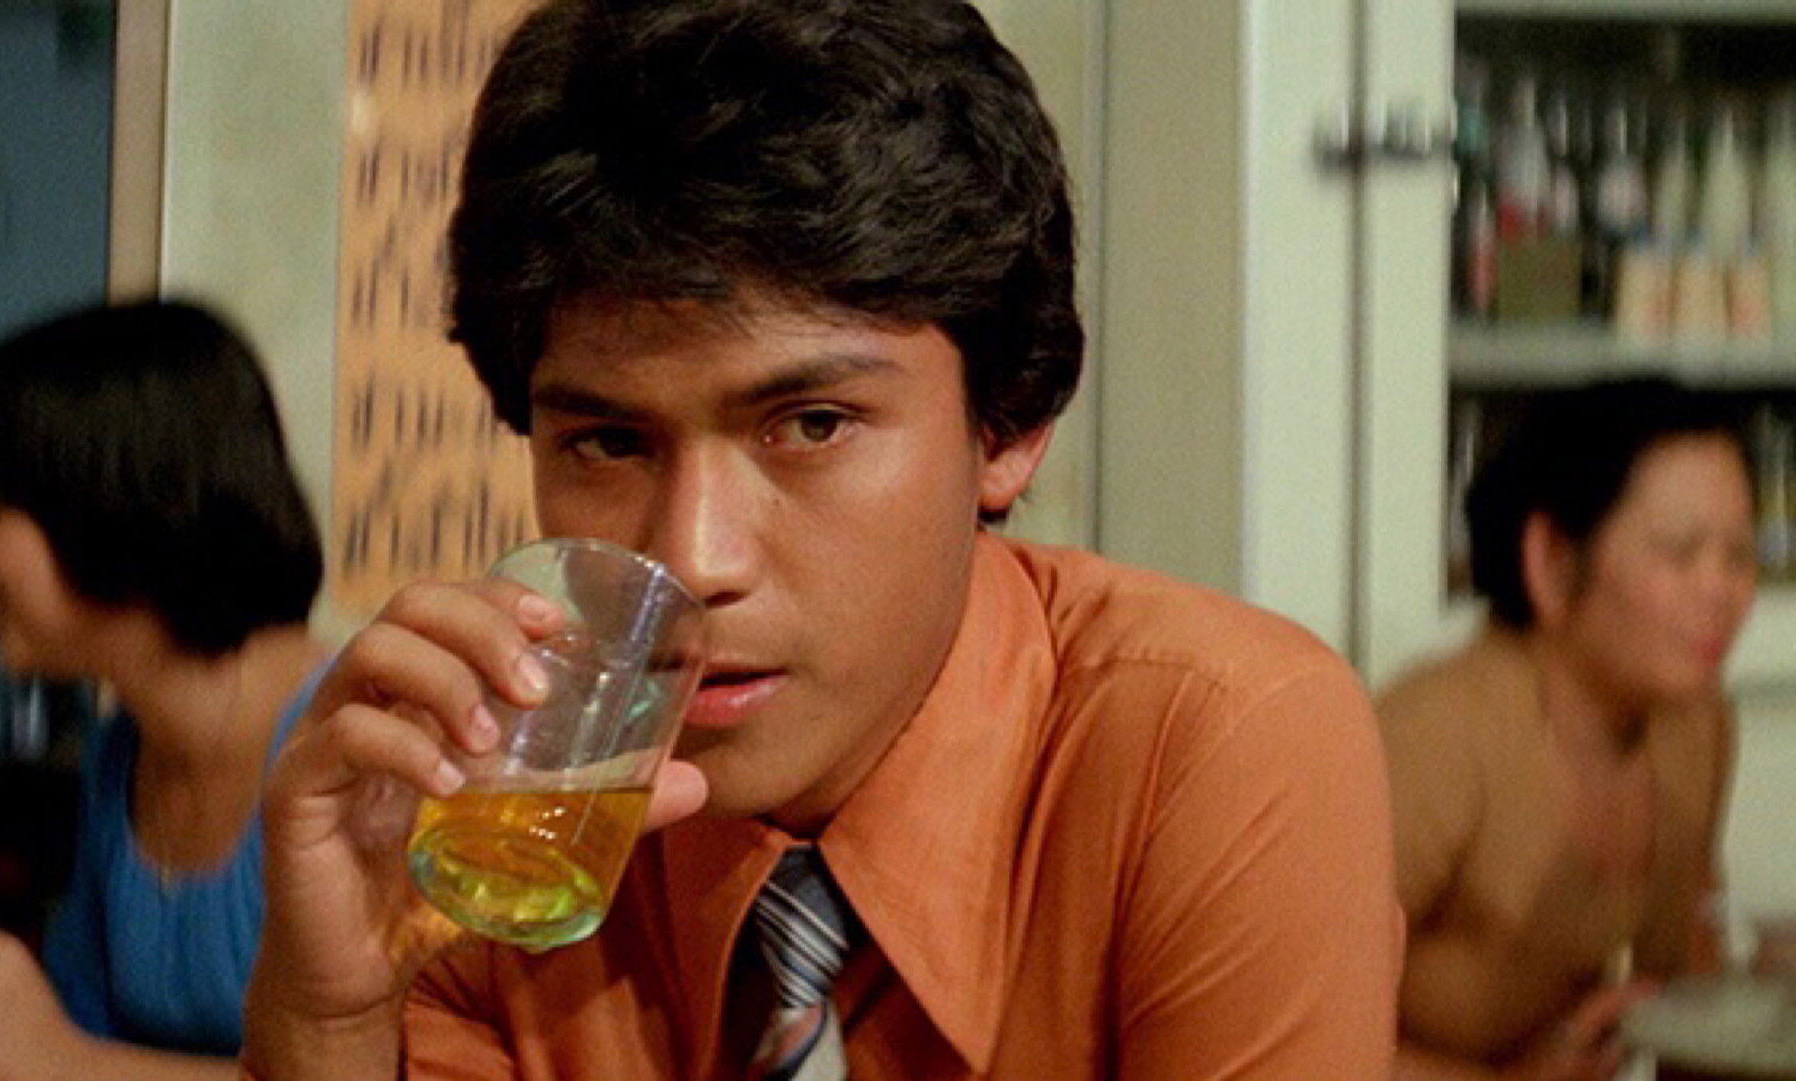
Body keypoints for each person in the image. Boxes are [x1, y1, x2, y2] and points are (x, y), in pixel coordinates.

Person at [240, 1, 1404, 1079]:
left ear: (1009, 424)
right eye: (609, 442)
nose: (694, 557)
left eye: (811, 424)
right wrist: (330, 1019)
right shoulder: (510, 827)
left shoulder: (1204, 750)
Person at [0, 301, 333, 1081]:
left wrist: (60, 1057)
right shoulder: (121, 753)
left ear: (110, 501)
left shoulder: (354, 744)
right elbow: (72, 1048)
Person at [1377, 379, 1758, 1081]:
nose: (1722, 591)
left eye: (1740, 554)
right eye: (1680, 553)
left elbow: (1693, 1000)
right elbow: (1274, 1039)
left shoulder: (1696, 725)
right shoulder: (1434, 739)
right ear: (1551, 559)